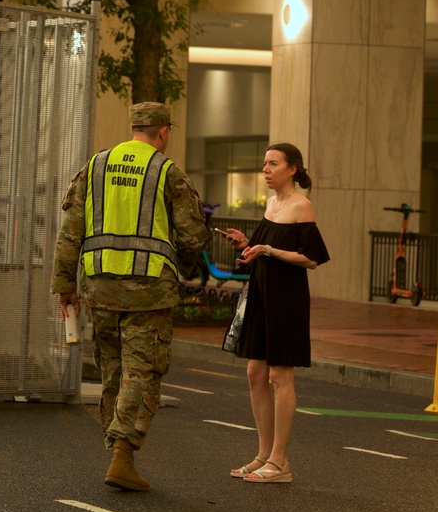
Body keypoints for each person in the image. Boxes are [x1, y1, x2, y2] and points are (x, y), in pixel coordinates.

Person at [51, 102, 209, 492]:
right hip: (149, 291)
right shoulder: (167, 172)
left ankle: (117, 449)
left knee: (112, 369)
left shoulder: (96, 165)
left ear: (134, 127)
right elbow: (192, 236)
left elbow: (70, 229)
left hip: (99, 288)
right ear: (164, 131)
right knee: (141, 370)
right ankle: (123, 454)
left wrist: (65, 286)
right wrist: (182, 268)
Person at [218, 143, 330, 484]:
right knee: (255, 373)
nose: (266, 169)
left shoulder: (301, 205)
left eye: (273, 163)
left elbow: (311, 258)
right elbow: (268, 248)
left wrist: (267, 248)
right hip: (262, 295)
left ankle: (280, 462)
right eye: (264, 163)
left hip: (286, 299)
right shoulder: (271, 204)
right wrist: (248, 243)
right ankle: (263, 454)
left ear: (291, 169)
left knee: (281, 376)